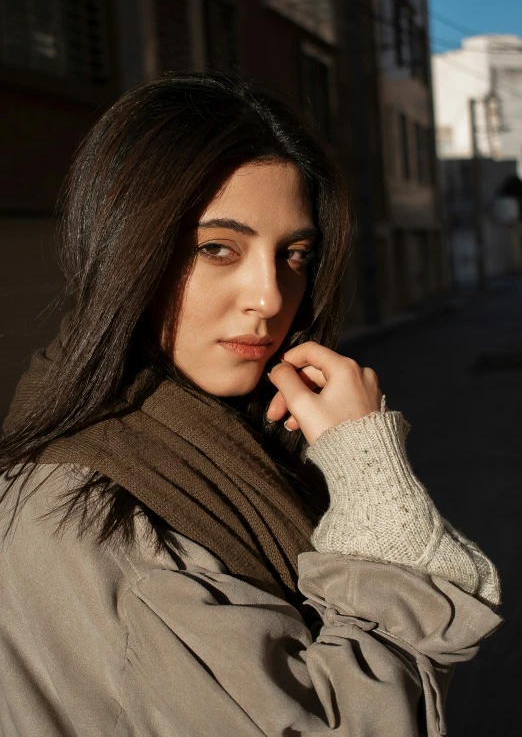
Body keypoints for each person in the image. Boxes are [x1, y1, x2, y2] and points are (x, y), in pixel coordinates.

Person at [0, 73, 501, 736]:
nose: (270, 296)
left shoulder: (222, 437)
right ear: (126, 249)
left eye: (294, 254)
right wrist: (371, 478)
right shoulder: (100, 511)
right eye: (217, 248)